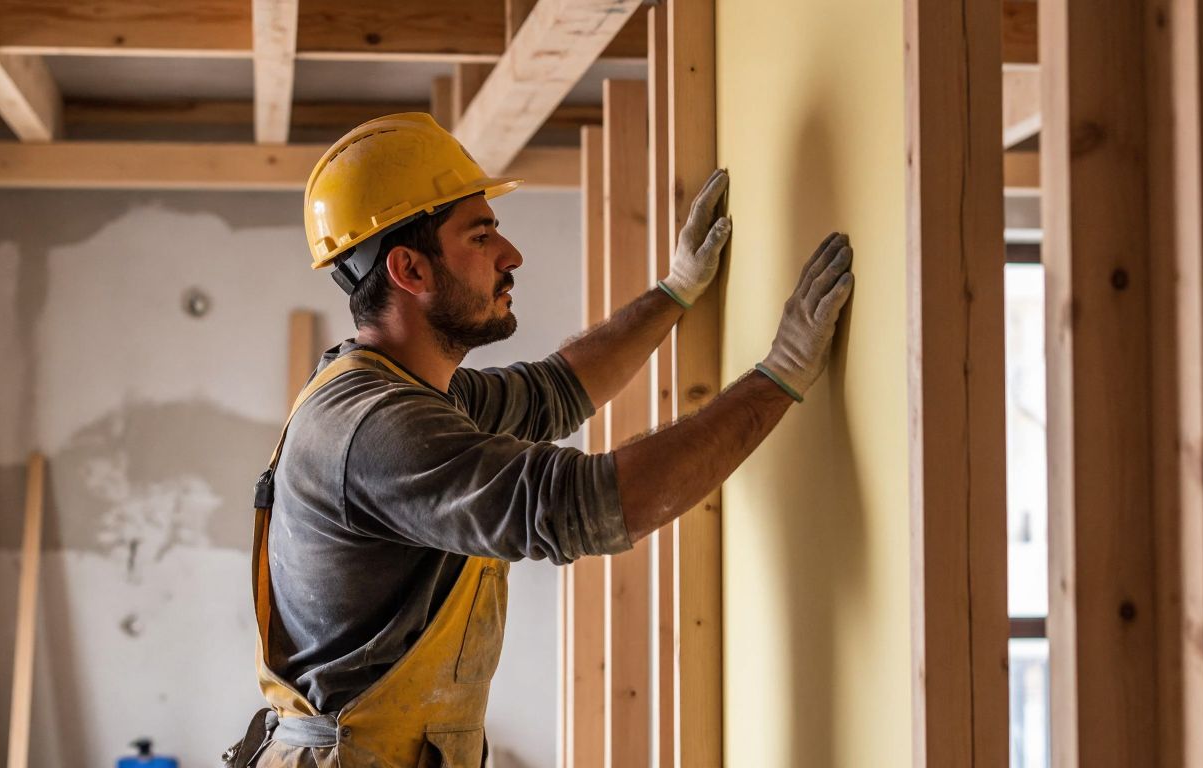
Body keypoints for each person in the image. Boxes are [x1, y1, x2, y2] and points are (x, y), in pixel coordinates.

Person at [225, 112, 854, 767]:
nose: (511, 255)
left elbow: (553, 390)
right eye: (481, 234)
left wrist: (676, 292)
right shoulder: (380, 429)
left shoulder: (401, 391)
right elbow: (589, 503)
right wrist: (778, 375)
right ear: (410, 268)